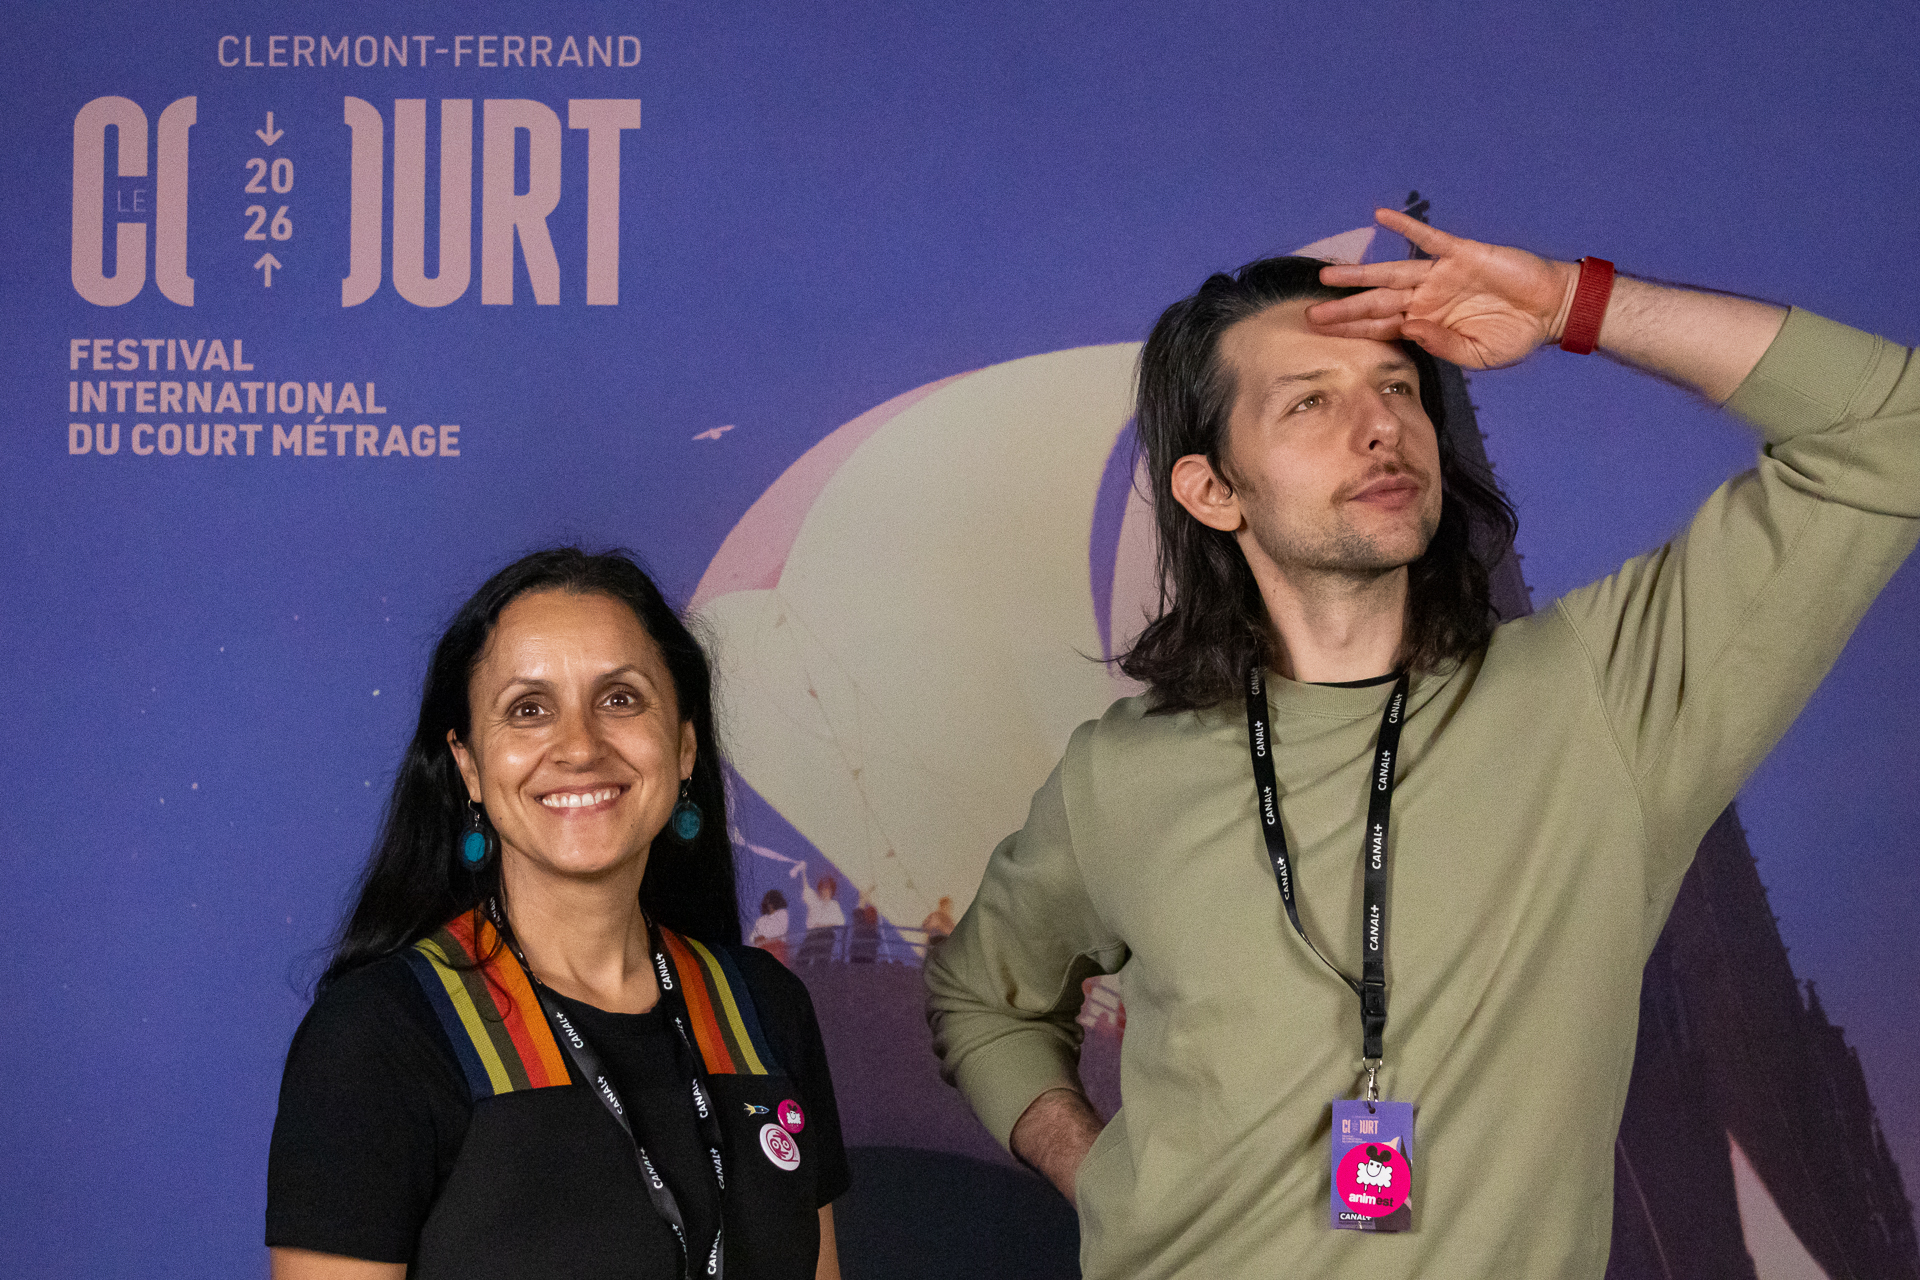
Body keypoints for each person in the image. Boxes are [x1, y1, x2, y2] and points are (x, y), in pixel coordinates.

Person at [924, 209, 1920, 1277]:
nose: (1379, 427)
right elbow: (981, 999)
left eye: (1398, 388)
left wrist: (1571, 302)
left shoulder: (1600, 703)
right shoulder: (1119, 772)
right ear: (1213, 489)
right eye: (1310, 400)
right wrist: (1098, 1177)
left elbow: (1891, 429)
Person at [267, 549, 849, 1280]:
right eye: (529, 710)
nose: (579, 746)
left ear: (685, 745)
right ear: (469, 766)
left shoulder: (763, 1008)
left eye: (621, 699)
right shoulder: (380, 1038)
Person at [790, 863, 845, 964]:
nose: (825, 891)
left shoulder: (834, 904)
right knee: (802, 960)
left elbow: (840, 921)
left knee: (821, 962)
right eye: (823, 888)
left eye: (828, 889)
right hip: (812, 934)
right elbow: (806, 887)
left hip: (826, 935)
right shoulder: (815, 901)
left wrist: (823, 925)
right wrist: (803, 871)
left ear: (832, 891)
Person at [752, 889, 793, 965]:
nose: (768, 904)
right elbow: (753, 938)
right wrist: (759, 938)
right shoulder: (760, 920)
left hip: (777, 951)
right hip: (762, 952)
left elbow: (779, 931)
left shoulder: (783, 913)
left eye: (770, 901)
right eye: (766, 901)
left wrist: (763, 937)